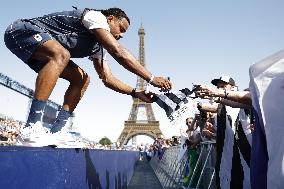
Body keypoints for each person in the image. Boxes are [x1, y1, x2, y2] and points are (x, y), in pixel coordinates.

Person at [4, 7, 172, 140]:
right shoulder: (94, 16)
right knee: (62, 54)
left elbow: (108, 79)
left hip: (43, 48)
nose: (120, 35)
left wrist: (135, 93)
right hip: (21, 31)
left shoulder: (98, 47)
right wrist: (150, 78)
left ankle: (57, 131)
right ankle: (32, 127)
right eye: (120, 29)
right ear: (110, 19)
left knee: (82, 80)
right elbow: (118, 52)